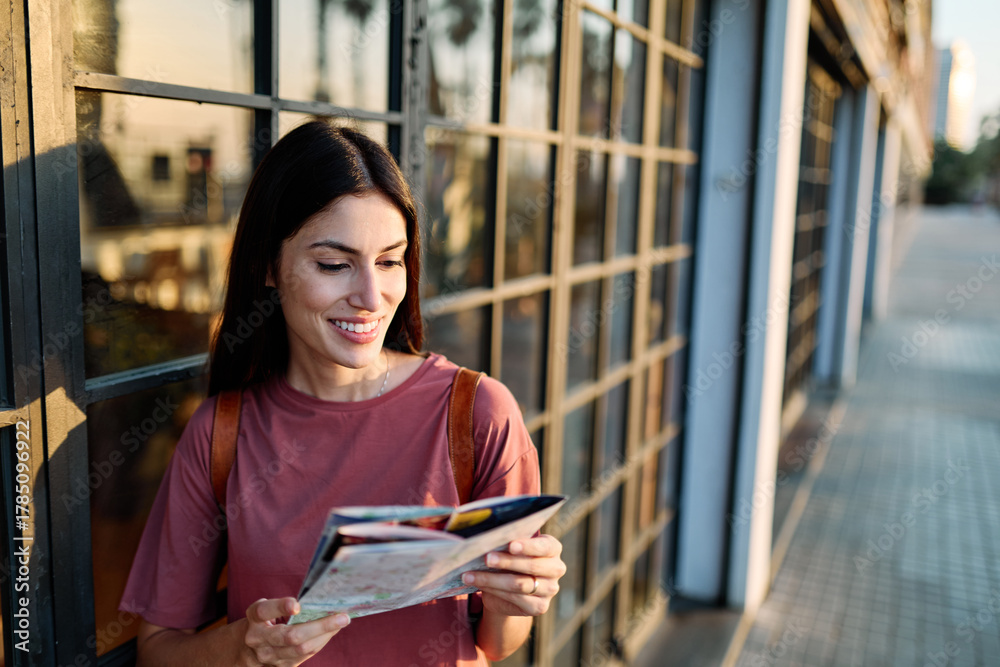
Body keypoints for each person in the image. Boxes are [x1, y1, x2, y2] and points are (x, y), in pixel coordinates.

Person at [120, 121, 566, 666]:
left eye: (390, 261)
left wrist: (517, 598)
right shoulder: (221, 433)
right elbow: (158, 650)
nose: (372, 298)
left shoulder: (477, 414)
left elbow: (497, 644)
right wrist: (244, 647)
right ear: (268, 266)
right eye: (334, 265)